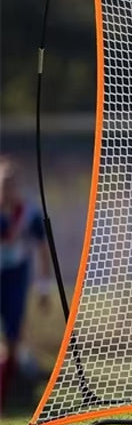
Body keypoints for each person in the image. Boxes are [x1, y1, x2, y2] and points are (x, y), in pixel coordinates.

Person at [0, 155, 53, 411]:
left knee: (14, 334)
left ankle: (12, 386)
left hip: (15, 277)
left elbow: (42, 250)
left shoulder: (28, 213)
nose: (6, 188)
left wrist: (44, 287)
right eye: (2, 182)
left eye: (10, 183)